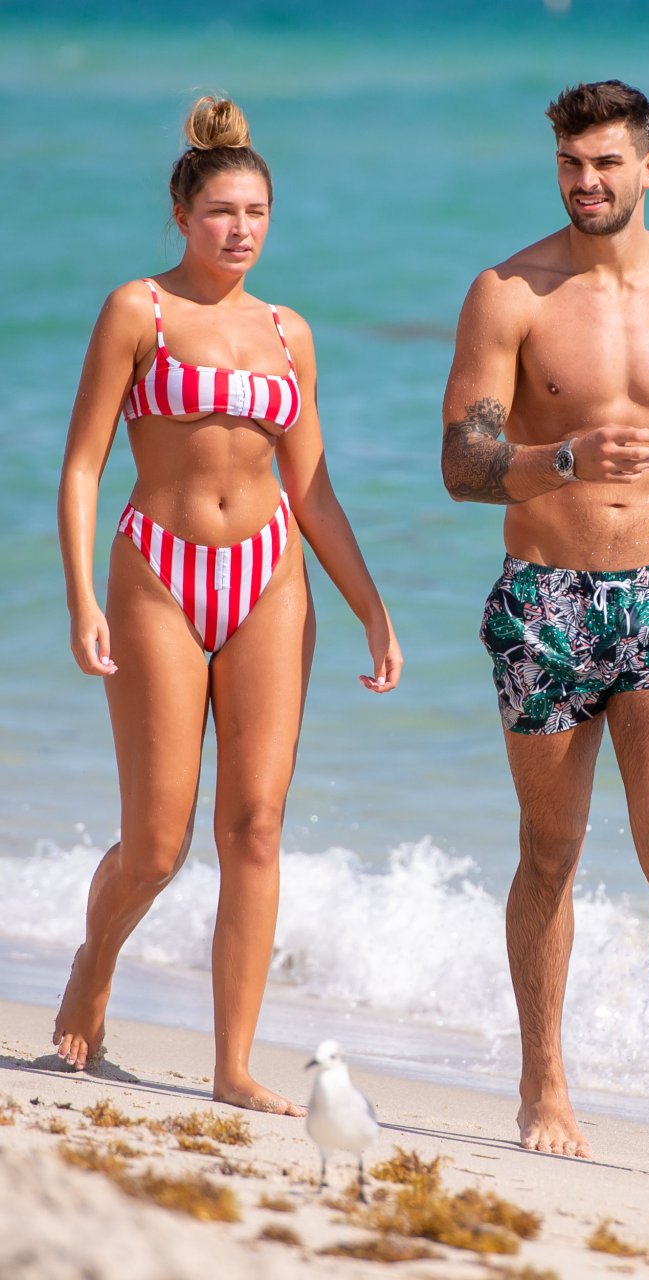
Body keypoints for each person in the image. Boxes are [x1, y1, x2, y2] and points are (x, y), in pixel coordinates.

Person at [441, 79, 649, 1179]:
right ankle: (543, 1081)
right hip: (546, 600)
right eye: (569, 164)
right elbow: (461, 465)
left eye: (604, 163)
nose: (585, 182)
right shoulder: (509, 294)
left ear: (648, 167)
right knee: (551, 849)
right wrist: (562, 458)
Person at [55, 96, 402, 1115]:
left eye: (255, 213)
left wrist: (372, 608)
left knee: (254, 826)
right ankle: (92, 966)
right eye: (220, 212)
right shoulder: (138, 311)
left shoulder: (289, 332)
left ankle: (234, 1064)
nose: (239, 229)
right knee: (157, 845)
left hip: (269, 578)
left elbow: (314, 491)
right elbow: (82, 466)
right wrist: (81, 598)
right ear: (182, 216)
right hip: (159, 574)